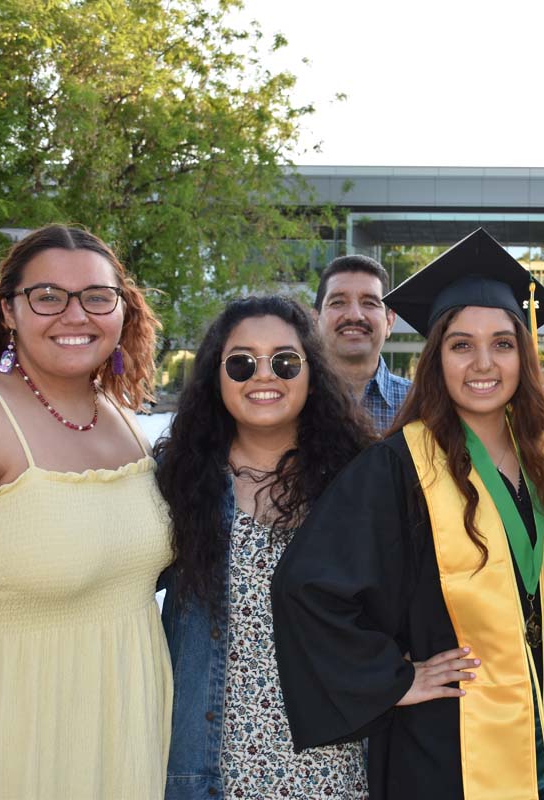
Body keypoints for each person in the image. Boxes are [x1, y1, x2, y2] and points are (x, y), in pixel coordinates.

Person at [272, 228, 544, 799]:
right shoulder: (397, 467)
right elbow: (305, 587)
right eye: (461, 344)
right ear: (436, 356)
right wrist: (395, 680)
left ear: (524, 353)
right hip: (446, 744)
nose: (483, 363)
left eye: (503, 344)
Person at [0, 224, 168, 798]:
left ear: (122, 311)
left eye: (97, 298)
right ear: (9, 310)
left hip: (125, 745)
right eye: (48, 296)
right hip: (0, 747)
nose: (74, 315)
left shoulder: (126, 419)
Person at [155, 296, 375, 798]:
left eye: (284, 361)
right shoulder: (177, 484)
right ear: (216, 377)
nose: (263, 375)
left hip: (335, 768)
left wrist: (402, 679)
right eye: (241, 363)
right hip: (210, 769)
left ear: (312, 375)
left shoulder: (357, 481)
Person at [313, 254, 411, 432]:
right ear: (315, 320)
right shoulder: (293, 401)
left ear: (389, 322)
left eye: (369, 303)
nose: (354, 315)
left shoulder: (421, 405)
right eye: (338, 303)